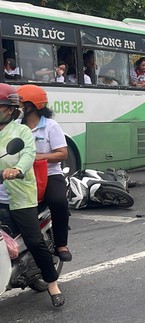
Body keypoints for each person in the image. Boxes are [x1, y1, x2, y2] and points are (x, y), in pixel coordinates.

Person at [0, 83, 64, 307]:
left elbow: (28, 154)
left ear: (9, 109)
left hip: (19, 195)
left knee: (34, 241)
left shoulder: (21, 131)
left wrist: (16, 170)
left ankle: (52, 283)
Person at [17, 84, 72, 262]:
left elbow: (62, 153)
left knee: (58, 201)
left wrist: (37, 157)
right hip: (22, 175)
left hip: (49, 174)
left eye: (20, 105)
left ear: (30, 106)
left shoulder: (50, 126)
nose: (17, 109)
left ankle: (61, 244)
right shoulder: (16, 127)